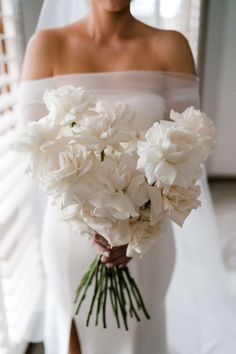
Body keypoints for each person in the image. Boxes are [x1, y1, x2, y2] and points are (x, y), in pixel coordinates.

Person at [17, 1, 236, 353]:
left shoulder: (170, 46)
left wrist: (136, 224)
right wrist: (92, 222)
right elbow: (35, 154)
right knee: (75, 335)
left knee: (141, 338)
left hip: (147, 233)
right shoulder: (47, 46)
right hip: (70, 231)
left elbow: (189, 148)